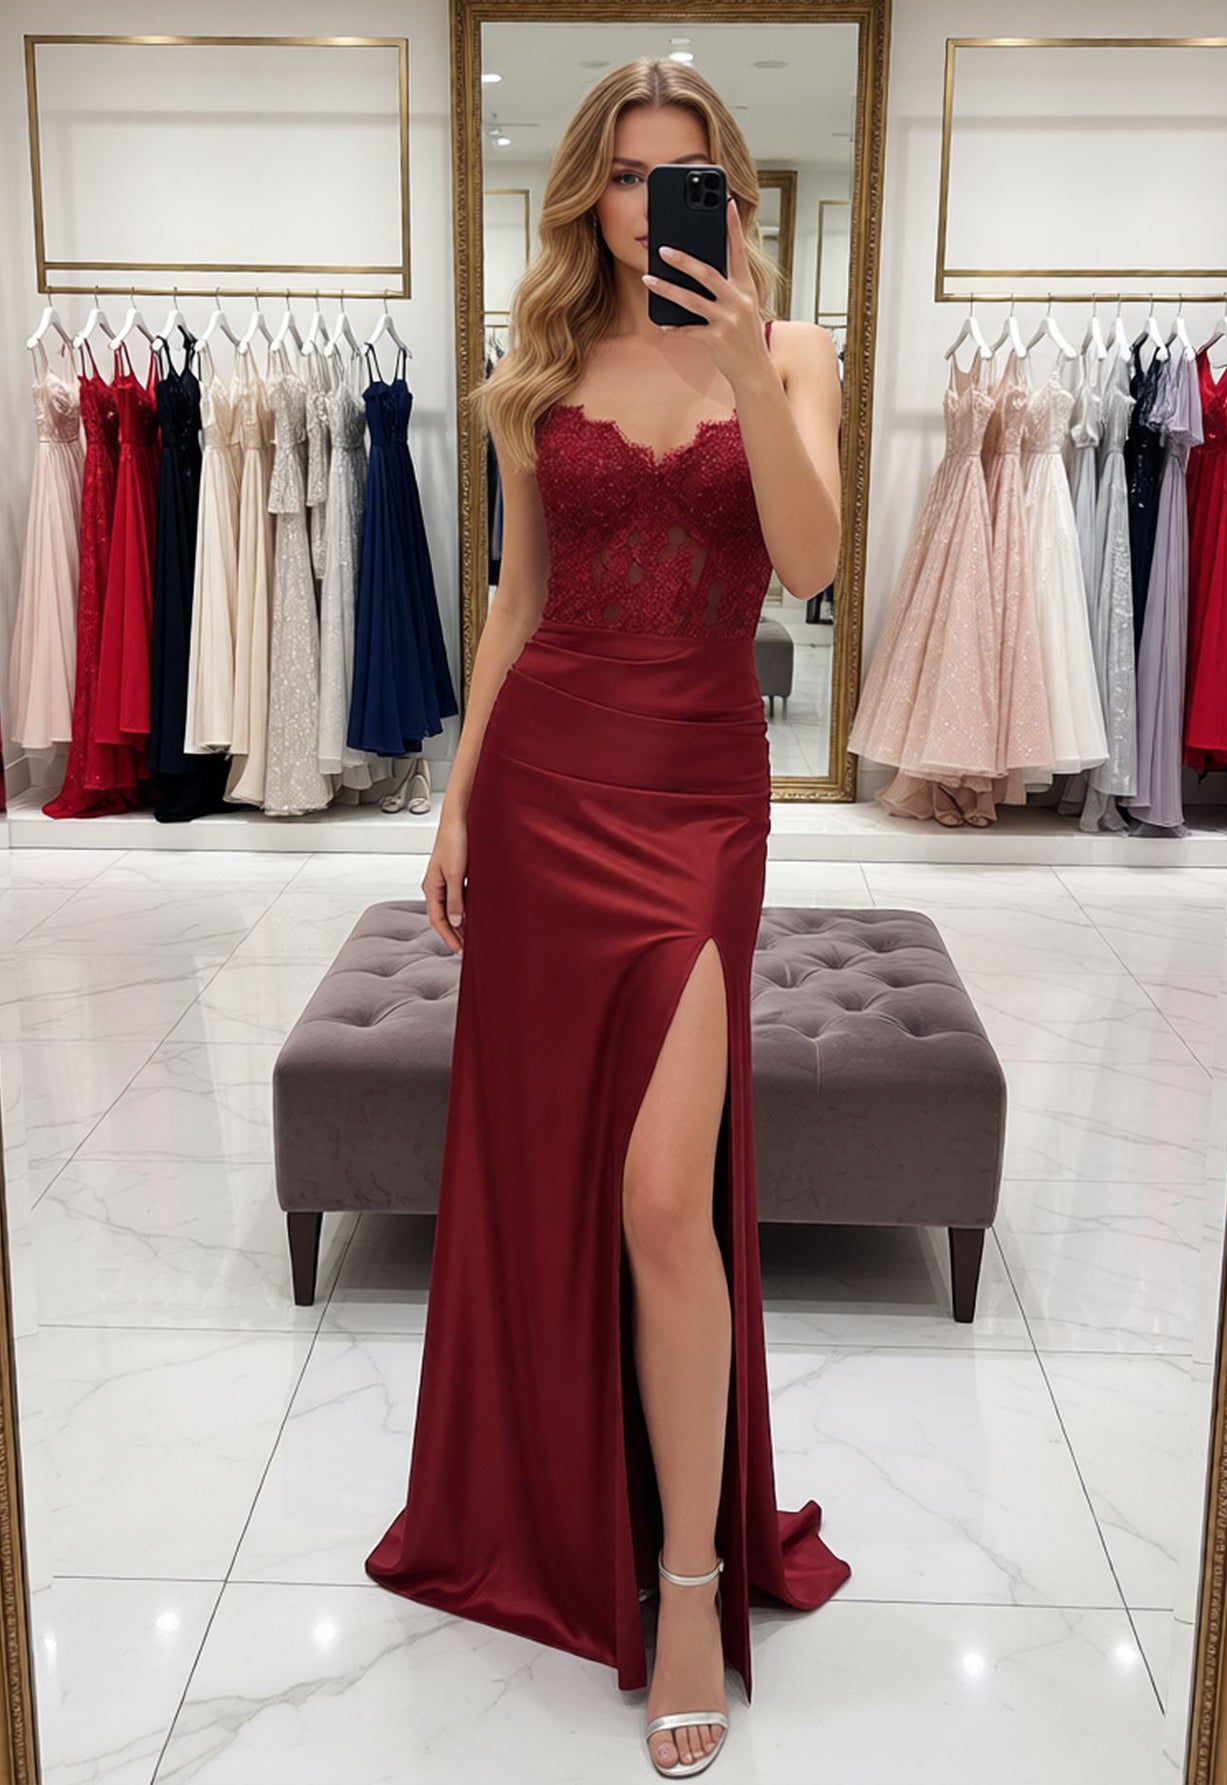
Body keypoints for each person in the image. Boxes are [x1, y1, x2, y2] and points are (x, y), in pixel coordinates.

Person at [364, 57, 848, 1778]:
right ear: (593, 194)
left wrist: (744, 370)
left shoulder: (790, 352)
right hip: (549, 782)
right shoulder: (542, 366)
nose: (654, 205)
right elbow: (518, 602)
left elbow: (809, 564)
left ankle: (691, 1580)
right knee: (561, 1172)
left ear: (733, 191)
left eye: (684, 172)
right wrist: (459, 797)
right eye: (630, 176)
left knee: (660, 1191)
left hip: (703, 799)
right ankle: (562, 1505)